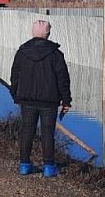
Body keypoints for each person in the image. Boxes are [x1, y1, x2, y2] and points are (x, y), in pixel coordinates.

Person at [10, 20, 71, 178]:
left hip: (27, 99)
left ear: (33, 32)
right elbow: (63, 79)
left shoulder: (22, 52)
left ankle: (24, 164)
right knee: (47, 132)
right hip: (49, 101)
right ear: (48, 34)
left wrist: (15, 93)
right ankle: (49, 166)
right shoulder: (55, 54)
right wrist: (66, 100)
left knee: (27, 130)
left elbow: (15, 75)